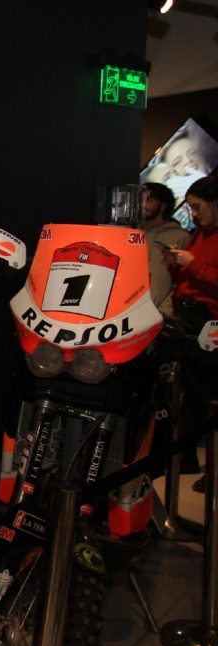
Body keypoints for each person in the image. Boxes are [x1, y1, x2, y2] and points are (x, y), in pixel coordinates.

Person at [168, 175, 218, 493]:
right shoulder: (199, 234)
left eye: (198, 207)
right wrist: (176, 263)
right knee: (189, 393)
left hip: (209, 321)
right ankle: (184, 457)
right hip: (188, 317)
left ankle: (209, 469)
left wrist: (193, 264)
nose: (194, 214)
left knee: (208, 393)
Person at [140, 181, 188, 315]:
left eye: (149, 200)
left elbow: (184, 280)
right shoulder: (132, 233)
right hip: (128, 310)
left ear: (163, 205)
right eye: (141, 199)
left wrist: (166, 311)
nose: (142, 204)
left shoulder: (180, 236)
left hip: (161, 313)